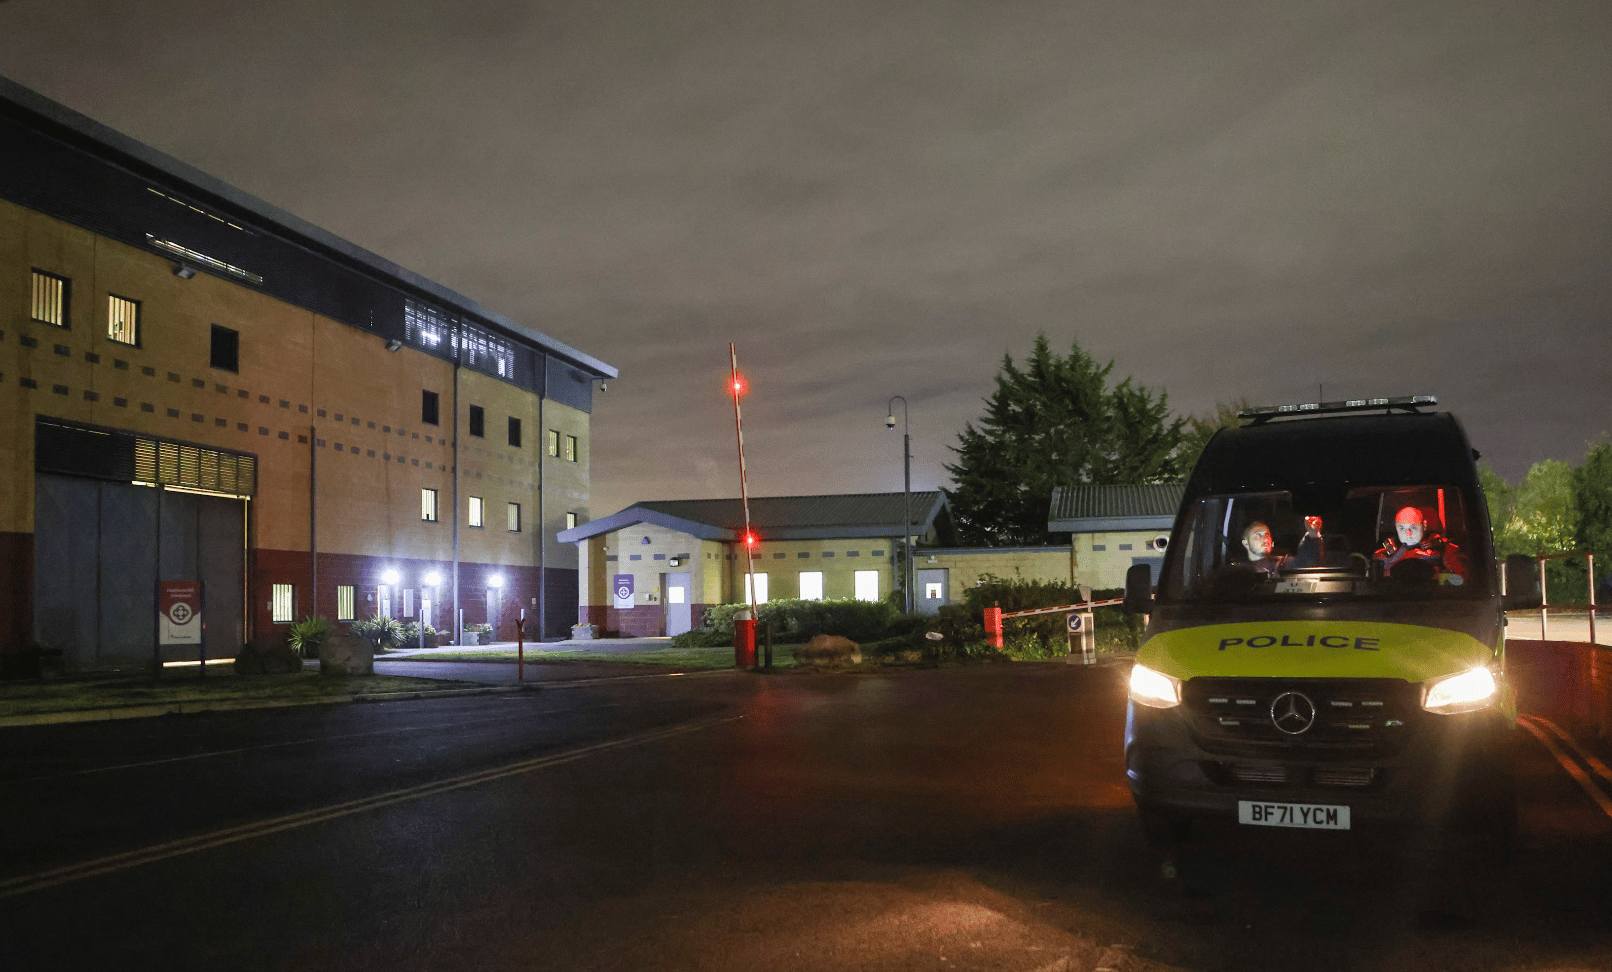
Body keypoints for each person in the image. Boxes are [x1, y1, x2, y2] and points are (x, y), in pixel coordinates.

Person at [1374, 506, 1465, 578]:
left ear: (1424, 525)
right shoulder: (1383, 556)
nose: (1408, 534)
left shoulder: (1446, 551)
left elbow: (1461, 579)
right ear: (1396, 527)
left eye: (1413, 527)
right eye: (1402, 528)